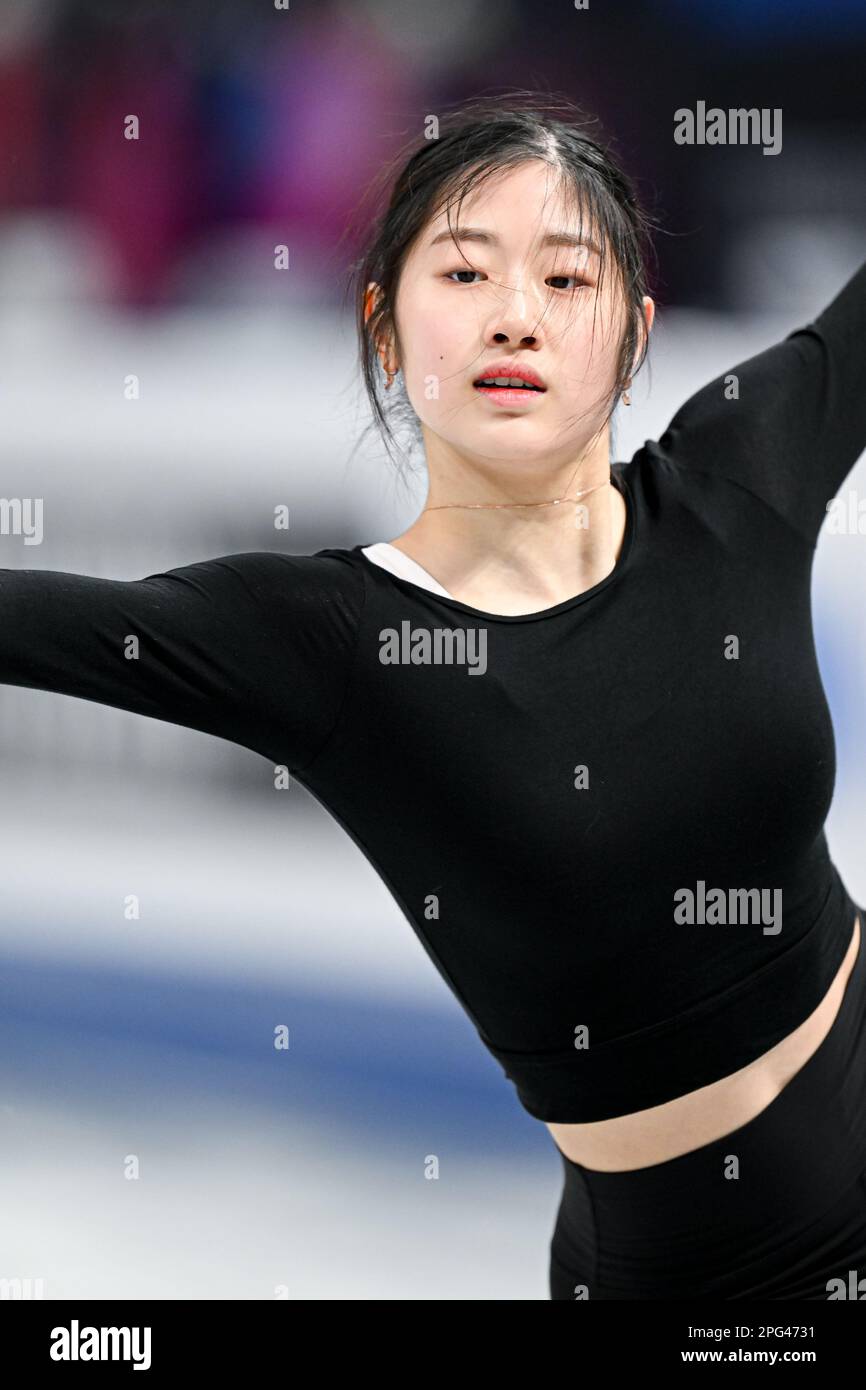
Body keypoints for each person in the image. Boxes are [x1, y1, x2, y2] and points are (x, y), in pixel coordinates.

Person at [2, 95, 866, 1301]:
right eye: (464, 272)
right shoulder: (323, 640)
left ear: (630, 334)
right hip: (697, 1284)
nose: (515, 315)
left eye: (566, 281)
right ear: (386, 328)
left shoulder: (739, 480)